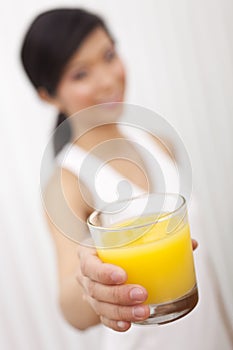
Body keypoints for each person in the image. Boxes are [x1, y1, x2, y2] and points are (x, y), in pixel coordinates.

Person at [20, 8, 230, 350]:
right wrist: (90, 282)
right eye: (81, 74)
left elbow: (200, 268)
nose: (106, 79)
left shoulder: (159, 143)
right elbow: (70, 307)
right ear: (48, 95)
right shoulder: (67, 181)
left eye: (108, 55)